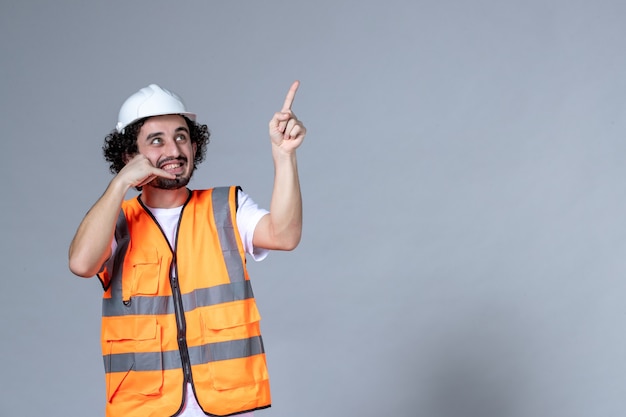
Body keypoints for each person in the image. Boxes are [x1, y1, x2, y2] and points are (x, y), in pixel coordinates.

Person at [68, 81, 305, 417]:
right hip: (145, 408)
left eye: (181, 137)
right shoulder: (115, 221)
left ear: (195, 145)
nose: (174, 150)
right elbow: (81, 263)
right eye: (156, 140)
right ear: (129, 155)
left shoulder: (226, 207)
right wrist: (120, 183)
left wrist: (284, 156)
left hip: (227, 405)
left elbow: (285, 235)